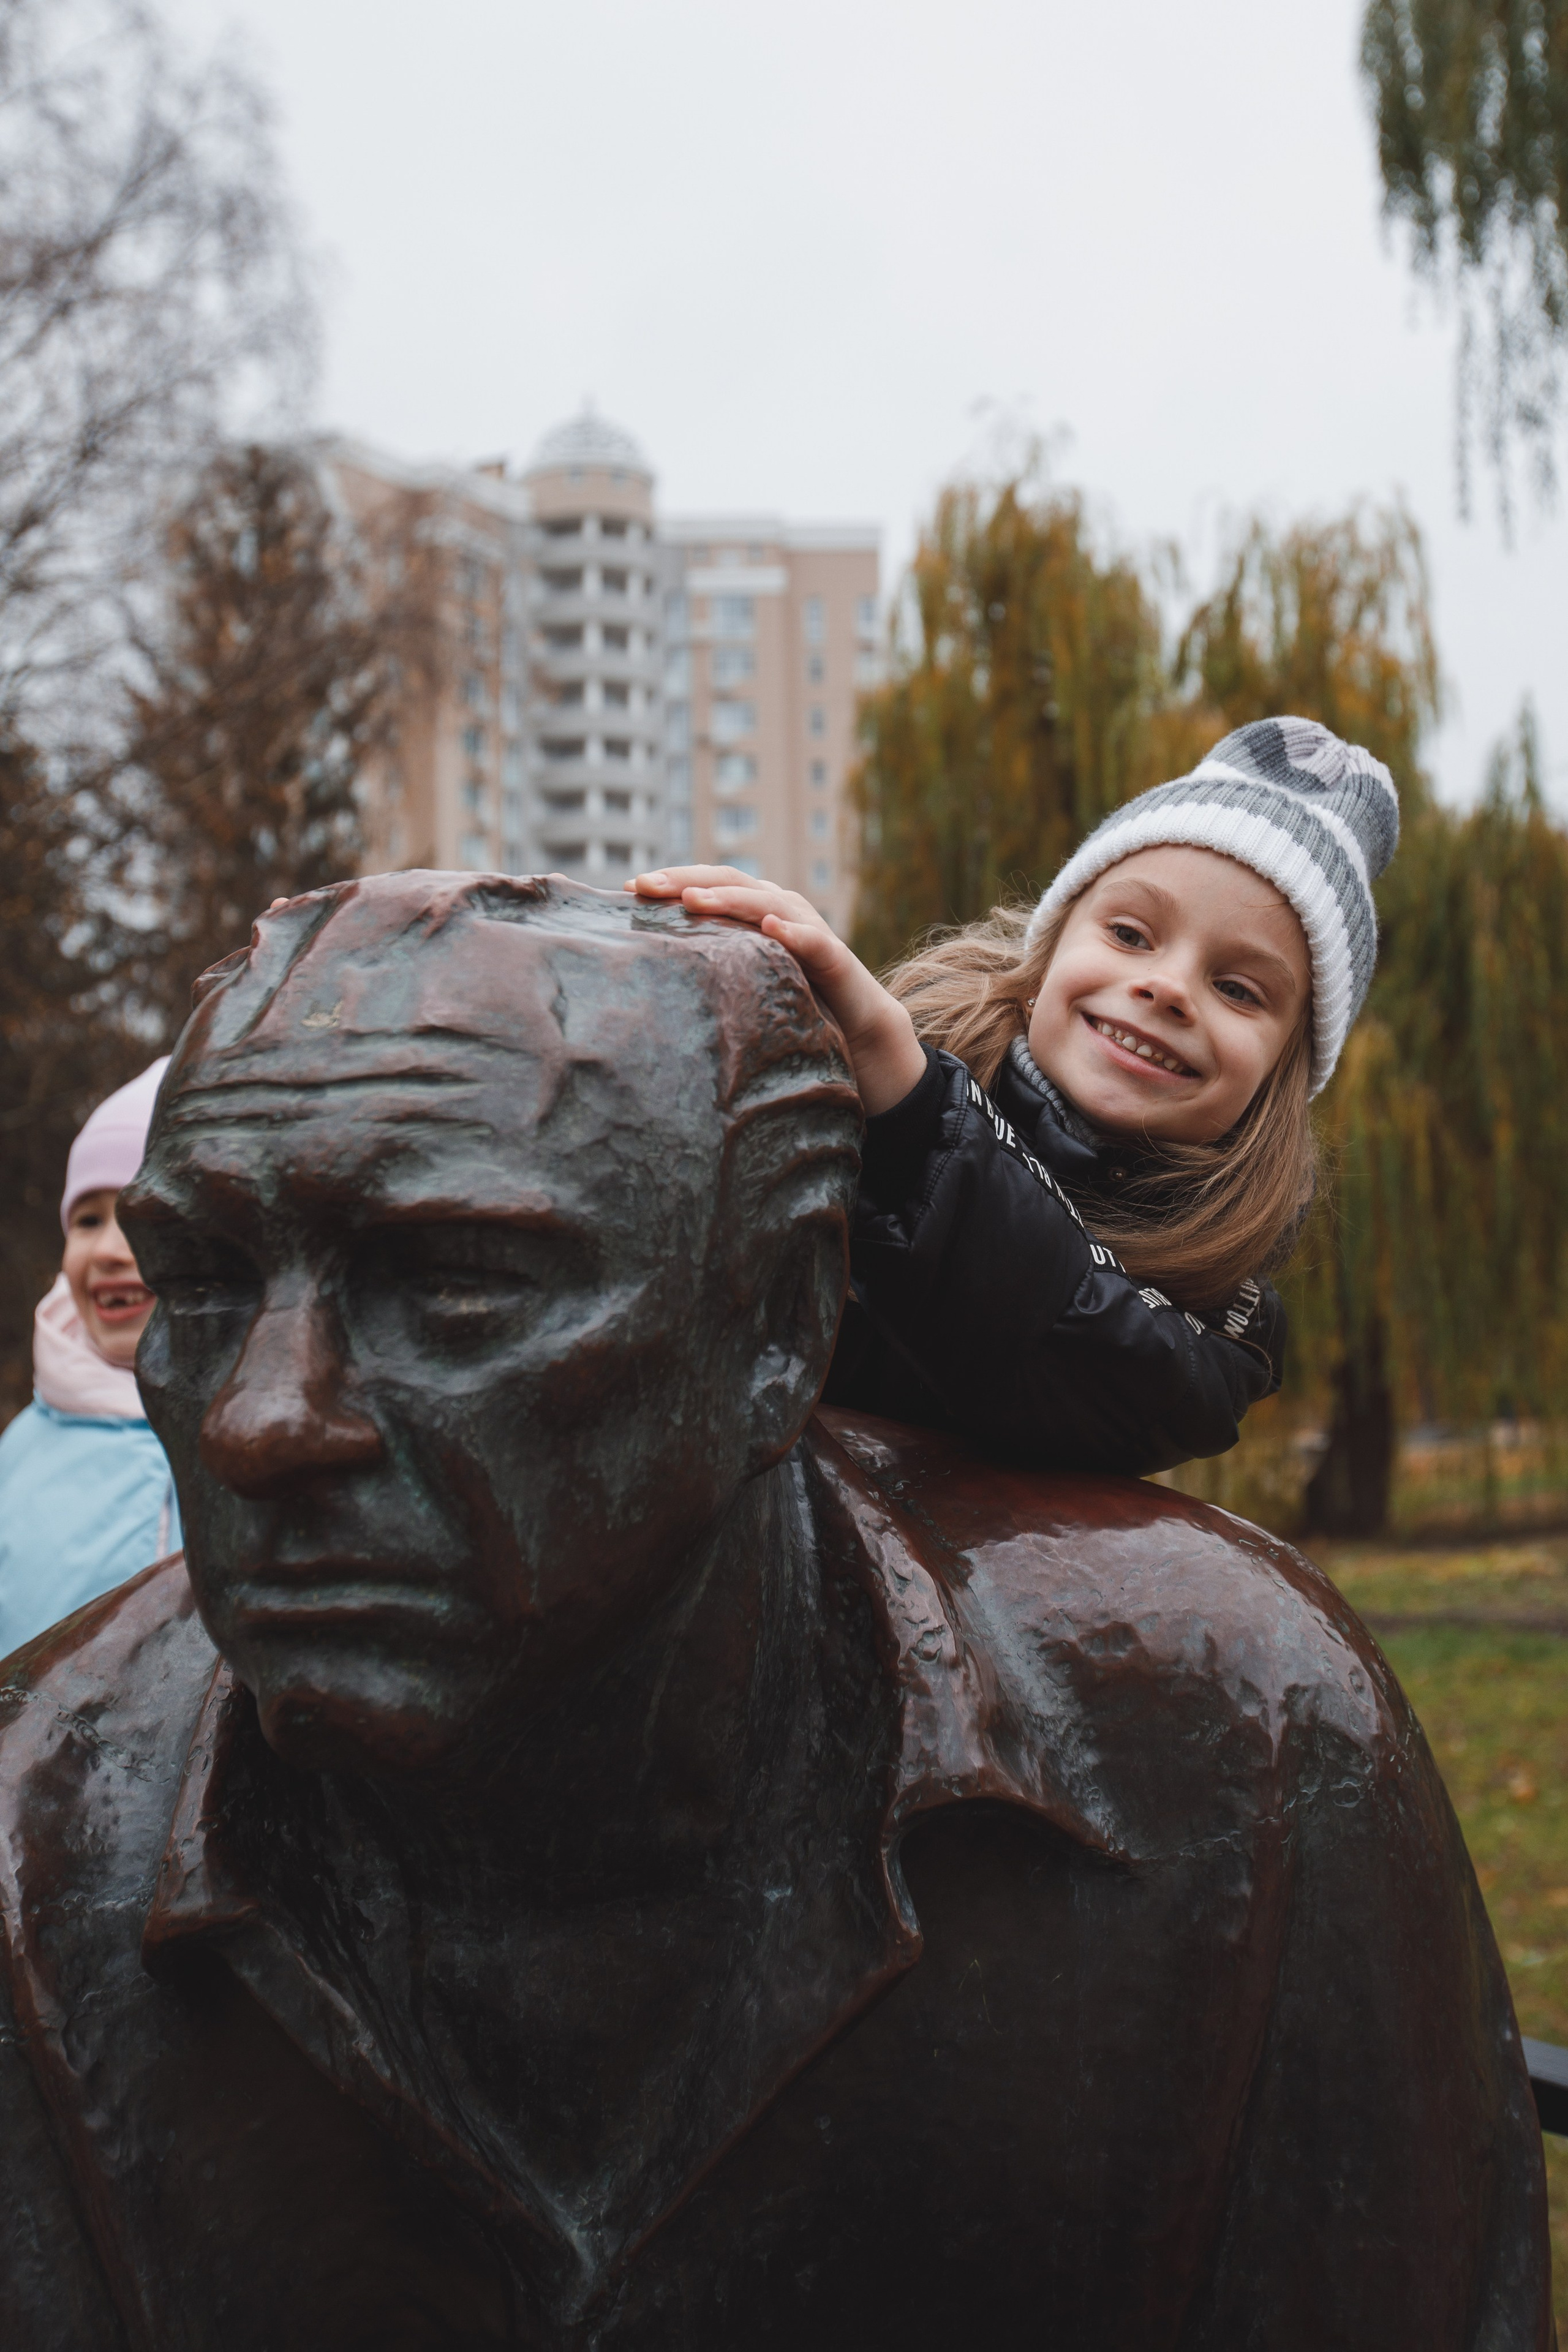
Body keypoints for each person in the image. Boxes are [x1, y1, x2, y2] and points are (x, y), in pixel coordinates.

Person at [0, 872, 1546, 2348]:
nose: (260, 1422)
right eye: (202, 1281)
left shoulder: (1249, 1747)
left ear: (779, 1325)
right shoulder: (31, 1830)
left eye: (461, 1283)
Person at [631, 715, 1395, 1476]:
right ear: (1049, 951)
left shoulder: (1224, 1318)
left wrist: (917, 1119)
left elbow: (1110, 1362)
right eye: (1130, 935)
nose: (1166, 988)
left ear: (1280, 1080)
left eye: (1236, 988)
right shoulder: (846, 1090)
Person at [0, 1060, 178, 1657]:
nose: (106, 1249)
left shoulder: (268, 1439)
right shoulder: (22, 1454)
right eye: (88, 1219)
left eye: (136, 1217)